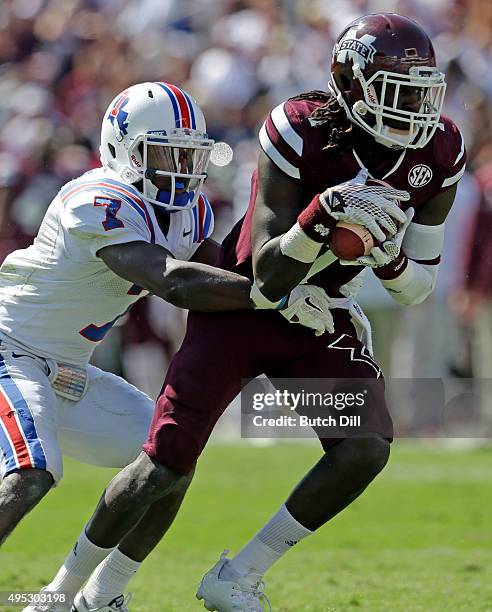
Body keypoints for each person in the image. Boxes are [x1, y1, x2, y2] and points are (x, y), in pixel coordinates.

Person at [43, 13, 466, 612]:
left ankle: (236, 576)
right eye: (399, 92)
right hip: (240, 308)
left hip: (319, 318)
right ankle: (69, 594)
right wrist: (322, 216)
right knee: (164, 465)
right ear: (351, 85)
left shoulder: (441, 148)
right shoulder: (298, 128)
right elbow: (268, 272)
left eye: (424, 92)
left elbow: (417, 287)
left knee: (364, 445)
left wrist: (389, 258)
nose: (418, 111)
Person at [0, 80, 335, 582]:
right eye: (166, 155)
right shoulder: (96, 199)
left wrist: (324, 289)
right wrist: (278, 297)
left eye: (188, 156)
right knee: (31, 473)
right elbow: (174, 282)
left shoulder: (188, 212)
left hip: (67, 370)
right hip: (11, 351)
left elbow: (229, 283)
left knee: (168, 462)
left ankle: (95, 591)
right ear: (123, 150)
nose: (180, 170)